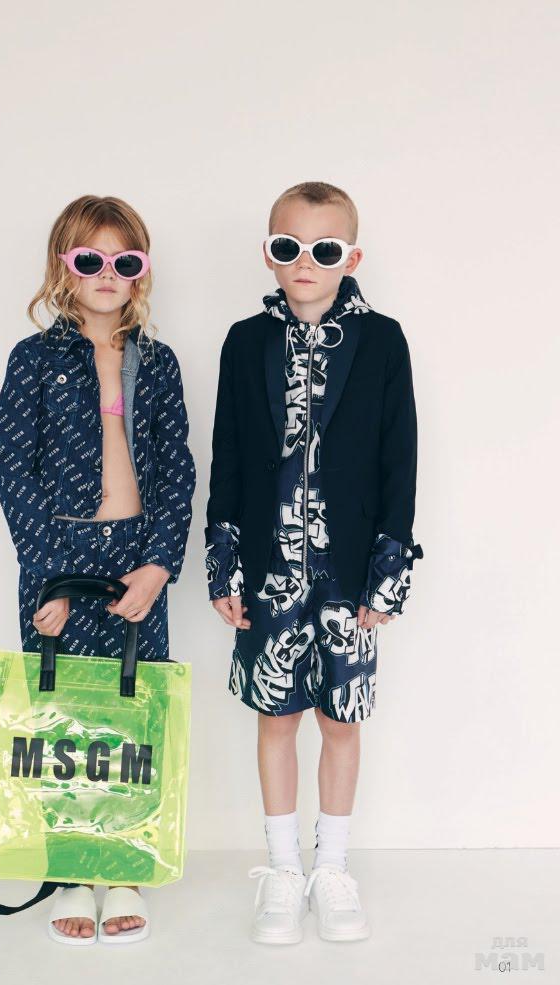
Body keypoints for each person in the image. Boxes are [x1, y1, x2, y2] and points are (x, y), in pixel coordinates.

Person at [205, 181, 423, 945]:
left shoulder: (384, 341)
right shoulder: (244, 342)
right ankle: (282, 868)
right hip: (268, 570)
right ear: (268, 254)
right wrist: (224, 562)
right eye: (287, 246)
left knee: (340, 720)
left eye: (324, 249)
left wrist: (389, 569)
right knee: (276, 717)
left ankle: (332, 868)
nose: (305, 262)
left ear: (350, 259)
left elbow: (400, 459)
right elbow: (227, 455)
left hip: (349, 574)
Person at [0, 194, 196, 944]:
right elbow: (13, 467)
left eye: (124, 260)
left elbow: (178, 469)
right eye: (90, 259)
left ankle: (123, 865)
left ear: (141, 271)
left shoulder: (158, 361)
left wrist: (159, 565)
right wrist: (47, 576)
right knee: (63, 714)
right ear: (63, 267)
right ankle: (72, 870)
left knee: (130, 710)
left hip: (136, 556)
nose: (107, 273)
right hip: (60, 555)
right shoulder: (34, 358)